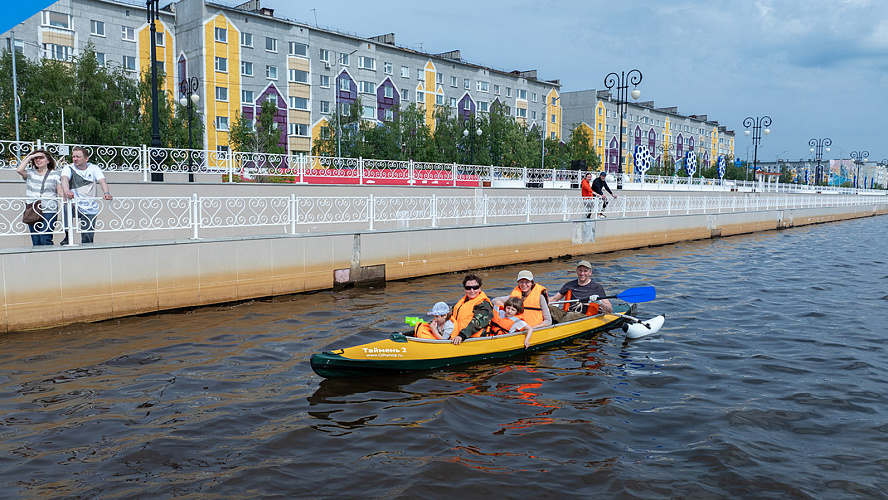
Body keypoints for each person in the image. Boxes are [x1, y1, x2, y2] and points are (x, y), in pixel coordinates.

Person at [59, 147, 112, 245]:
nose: (75, 159)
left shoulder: (94, 168)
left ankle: (87, 254)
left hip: (90, 206)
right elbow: (64, 179)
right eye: (73, 156)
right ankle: (67, 235)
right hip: (74, 204)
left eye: (78, 157)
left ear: (86, 159)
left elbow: (102, 180)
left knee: (88, 237)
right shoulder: (69, 168)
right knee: (66, 208)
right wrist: (67, 191)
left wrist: (106, 193)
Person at [16, 150, 62, 246]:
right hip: (33, 208)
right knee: (36, 239)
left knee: (45, 237)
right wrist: (30, 157)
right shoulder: (30, 173)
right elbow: (19, 170)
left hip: (49, 209)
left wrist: (66, 201)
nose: (38, 160)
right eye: (36, 158)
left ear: (48, 160)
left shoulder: (55, 174)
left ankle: (49, 259)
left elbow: (60, 191)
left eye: (41, 158)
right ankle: (38, 260)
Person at [548, 260, 613, 323]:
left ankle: (557, 324)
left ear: (590, 273)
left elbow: (610, 310)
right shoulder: (569, 285)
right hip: (567, 314)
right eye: (580, 270)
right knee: (549, 308)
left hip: (584, 317)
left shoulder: (597, 287)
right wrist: (541, 304)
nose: (582, 273)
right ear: (577, 271)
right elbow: (554, 299)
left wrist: (600, 303)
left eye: (585, 271)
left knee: (570, 315)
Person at [450, 273, 494, 345]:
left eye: (475, 287)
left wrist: (462, 335)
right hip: (457, 336)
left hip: (474, 338)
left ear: (479, 288)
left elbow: (478, 322)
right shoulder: (462, 302)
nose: (472, 290)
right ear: (464, 289)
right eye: (468, 288)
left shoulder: (484, 305)